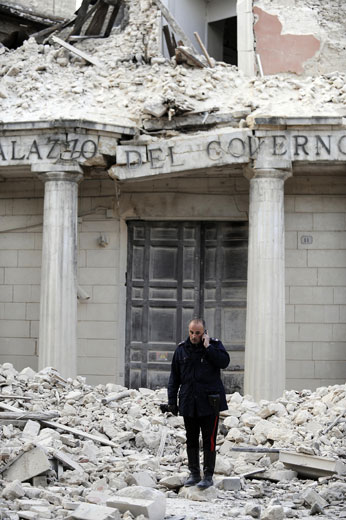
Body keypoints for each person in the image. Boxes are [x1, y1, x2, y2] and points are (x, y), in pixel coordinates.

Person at [167, 318, 230, 489]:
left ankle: (208, 476)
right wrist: (172, 401)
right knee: (191, 439)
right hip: (188, 402)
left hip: (209, 403)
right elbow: (174, 378)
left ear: (204, 333)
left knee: (209, 440)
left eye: (197, 333)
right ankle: (194, 473)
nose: (194, 336)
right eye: (191, 332)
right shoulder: (181, 350)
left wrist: (208, 347)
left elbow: (224, 362)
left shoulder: (214, 346)